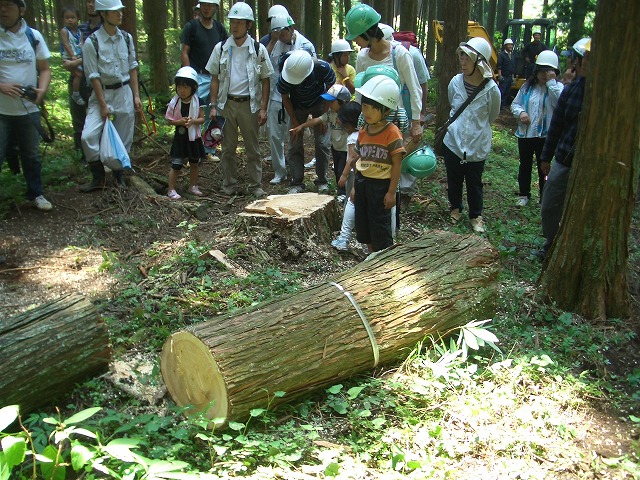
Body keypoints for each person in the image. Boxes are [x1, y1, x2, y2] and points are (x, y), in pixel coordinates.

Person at [345, 5, 423, 202]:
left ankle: (390, 207)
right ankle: (367, 202)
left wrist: (416, 122)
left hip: (394, 118)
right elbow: (361, 91)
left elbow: (414, 89)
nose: (355, 41)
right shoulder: (363, 57)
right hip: (370, 120)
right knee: (370, 163)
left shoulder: (399, 54)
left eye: (357, 36)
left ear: (368, 33)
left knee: (391, 166)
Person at [206, 2, 273, 197]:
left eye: (239, 23)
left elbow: (266, 80)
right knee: (227, 149)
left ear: (248, 25)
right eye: (232, 22)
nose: (234, 26)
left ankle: (255, 185)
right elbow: (214, 78)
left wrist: (263, 108)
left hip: (249, 105)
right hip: (226, 104)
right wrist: (213, 106)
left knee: (253, 148)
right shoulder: (221, 48)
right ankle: (229, 185)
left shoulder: (259, 49)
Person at [79, 0, 142, 192]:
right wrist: (102, 104)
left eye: (120, 11)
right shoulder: (92, 43)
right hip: (103, 93)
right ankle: (98, 176)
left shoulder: (126, 38)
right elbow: (93, 76)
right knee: (88, 136)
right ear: (103, 14)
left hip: (124, 92)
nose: (119, 14)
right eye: (114, 11)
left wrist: (136, 96)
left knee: (124, 136)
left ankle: (118, 175)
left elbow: (132, 68)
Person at [538, 38, 590, 258]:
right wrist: (546, 157)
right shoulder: (572, 91)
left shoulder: (610, 94)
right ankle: (552, 244)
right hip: (564, 161)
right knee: (549, 205)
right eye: (585, 59)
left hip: (591, 166)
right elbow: (557, 125)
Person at [442, 37, 501, 233]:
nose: (463, 62)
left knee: (474, 182)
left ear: (480, 61)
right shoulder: (455, 82)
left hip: (477, 144)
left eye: (468, 58)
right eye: (462, 57)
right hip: (454, 142)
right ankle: (455, 208)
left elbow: (492, 115)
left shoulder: (492, 90)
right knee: (454, 179)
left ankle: (476, 215)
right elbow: (453, 104)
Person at [0, 0, 53, 211]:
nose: (3, 10)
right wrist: (1, 86)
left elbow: (45, 68)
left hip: (28, 110)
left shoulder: (33, 36)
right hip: (1, 111)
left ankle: (36, 194)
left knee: (31, 154)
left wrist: (41, 90)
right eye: (0, 5)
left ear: (21, 10)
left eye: (8, 5)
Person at [353, 75, 405, 252]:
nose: (367, 112)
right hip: (363, 183)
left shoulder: (392, 133)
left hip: (380, 186)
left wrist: (391, 192)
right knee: (364, 222)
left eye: (373, 108)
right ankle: (370, 256)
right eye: (365, 106)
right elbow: (360, 160)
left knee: (379, 225)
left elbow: (397, 164)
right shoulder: (363, 132)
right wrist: (355, 186)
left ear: (385, 111)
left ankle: (382, 259)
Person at [266, 13, 315, 185]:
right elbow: (267, 68)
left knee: (293, 135)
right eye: (277, 34)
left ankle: (295, 171)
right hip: (276, 96)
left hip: (295, 98)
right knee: (274, 136)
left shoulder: (306, 45)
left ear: (291, 29)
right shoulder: (275, 45)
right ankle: (279, 171)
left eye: (283, 34)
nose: (281, 38)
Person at [278, 49, 335, 194]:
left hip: (321, 102)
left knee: (322, 142)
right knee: (294, 142)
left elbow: (330, 90)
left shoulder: (323, 68)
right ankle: (296, 182)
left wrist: (323, 116)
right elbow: (285, 98)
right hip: (296, 106)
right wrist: (295, 120)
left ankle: (322, 180)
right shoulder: (285, 74)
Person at [510, 50, 563, 207]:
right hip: (526, 134)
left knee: (544, 168)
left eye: (548, 71)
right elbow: (515, 104)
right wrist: (521, 113)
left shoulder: (557, 88)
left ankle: (543, 196)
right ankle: (524, 193)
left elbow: (561, 103)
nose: (544, 75)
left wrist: (552, 83)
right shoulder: (527, 87)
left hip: (546, 136)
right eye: (542, 70)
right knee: (525, 165)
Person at [289, 84, 351, 200]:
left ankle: (344, 193)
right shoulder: (330, 114)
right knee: (338, 171)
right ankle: (341, 191)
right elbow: (316, 120)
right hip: (336, 148)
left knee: (343, 171)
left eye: (332, 102)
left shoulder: (349, 115)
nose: (329, 105)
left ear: (342, 102)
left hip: (347, 150)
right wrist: (301, 126)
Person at [180, 0, 227, 148]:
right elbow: (185, 52)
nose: (206, 9)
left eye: (210, 6)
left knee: (213, 114)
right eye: (204, 5)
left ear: (215, 8)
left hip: (215, 77)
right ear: (200, 7)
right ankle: (190, 148)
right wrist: (189, 77)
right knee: (193, 112)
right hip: (197, 76)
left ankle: (208, 149)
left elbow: (226, 52)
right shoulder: (191, 27)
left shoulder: (219, 29)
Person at [62, 0, 101, 161]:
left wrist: (77, 61)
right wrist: (73, 63)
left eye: (94, 2)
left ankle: (99, 154)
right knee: (78, 118)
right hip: (78, 77)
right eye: (88, 2)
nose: (91, 5)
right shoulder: (79, 29)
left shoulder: (106, 30)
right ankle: (82, 157)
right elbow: (66, 59)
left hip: (97, 81)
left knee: (97, 118)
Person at [165, 67, 206, 200]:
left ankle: (193, 185)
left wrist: (193, 121)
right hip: (180, 138)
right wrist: (180, 122)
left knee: (194, 162)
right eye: (179, 87)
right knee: (176, 164)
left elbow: (202, 119)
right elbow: (169, 121)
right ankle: (171, 189)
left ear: (193, 88)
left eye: (185, 88)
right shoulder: (174, 102)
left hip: (194, 137)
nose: (182, 91)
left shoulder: (198, 101)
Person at [332, 101, 361, 251]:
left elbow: (351, 159)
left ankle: (344, 237)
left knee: (351, 201)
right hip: (364, 175)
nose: (337, 120)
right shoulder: (364, 133)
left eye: (340, 118)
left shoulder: (352, 138)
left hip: (355, 176)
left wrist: (343, 176)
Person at [59, 6, 85, 106]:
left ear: (78, 19)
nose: (70, 20)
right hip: (68, 56)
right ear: (63, 19)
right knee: (78, 74)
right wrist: (72, 56)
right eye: (67, 18)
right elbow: (66, 44)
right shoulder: (64, 31)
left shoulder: (79, 32)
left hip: (78, 56)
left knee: (79, 74)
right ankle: (75, 94)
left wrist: (83, 53)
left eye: (72, 17)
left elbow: (81, 44)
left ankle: (76, 92)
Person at [497, 38, 515, 109]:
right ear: (505, 46)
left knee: (507, 92)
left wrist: (513, 77)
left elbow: (513, 66)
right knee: (502, 91)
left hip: (510, 76)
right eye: (509, 45)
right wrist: (500, 75)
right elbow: (499, 66)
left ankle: (503, 105)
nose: (510, 46)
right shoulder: (502, 55)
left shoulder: (512, 55)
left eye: (511, 45)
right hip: (504, 76)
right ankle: (499, 106)